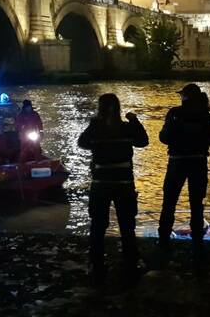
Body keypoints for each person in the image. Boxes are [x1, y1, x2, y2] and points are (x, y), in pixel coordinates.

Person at [78, 93, 149, 287]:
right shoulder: (126, 128)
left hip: (101, 183)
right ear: (118, 108)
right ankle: (130, 262)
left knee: (98, 226)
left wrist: (95, 124)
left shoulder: (95, 128)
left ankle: (97, 263)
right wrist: (134, 120)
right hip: (124, 183)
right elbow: (143, 141)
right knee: (127, 225)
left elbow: (81, 143)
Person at [158, 83, 210, 273]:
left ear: (185, 97)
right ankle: (197, 243)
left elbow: (164, 137)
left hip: (177, 162)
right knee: (197, 205)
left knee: (169, 202)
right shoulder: (207, 117)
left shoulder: (175, 113)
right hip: (198, 163)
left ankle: (163, 242)